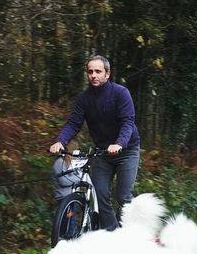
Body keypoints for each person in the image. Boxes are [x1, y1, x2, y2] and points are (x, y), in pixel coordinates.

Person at [49, 54, 140, 230]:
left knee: (124, 197)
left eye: (98, 71)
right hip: (102, 152)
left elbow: (128, 122)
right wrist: (60, 141)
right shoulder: (85, 98)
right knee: (99, 194)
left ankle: (135, 232)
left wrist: (120, 143)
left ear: (107, 74)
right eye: (90, 72)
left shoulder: (121, 93)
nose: (93, 75)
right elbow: (74, 123)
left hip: (126, 150)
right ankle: (113, 235)